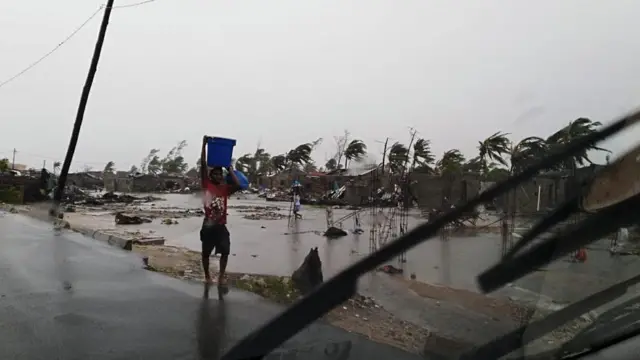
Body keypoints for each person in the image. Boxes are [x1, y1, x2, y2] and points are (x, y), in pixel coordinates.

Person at [200, 135, 242, 285]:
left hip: (221, 225)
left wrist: (229, 169)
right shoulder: (207, 186)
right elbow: (203, 165)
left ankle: (221, 276)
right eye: (215, 174)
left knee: (225, 251)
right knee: (206, 253)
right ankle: (207, 276)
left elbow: (238, 185)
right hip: (209, 225)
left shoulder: (224, 189)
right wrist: (204, 145)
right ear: (211, 176)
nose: (218, 175)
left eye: (220, 174)